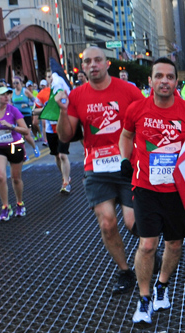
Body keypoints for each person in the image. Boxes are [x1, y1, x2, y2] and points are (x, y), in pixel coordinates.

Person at [58, 46, 146, 294]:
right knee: (107, 223)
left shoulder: (128, 90)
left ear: (108, 64)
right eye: (88, 61)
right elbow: (65, 135)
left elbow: (147, 120)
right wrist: (63, 111)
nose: (93, 65)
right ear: (83, 67)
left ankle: (148, 253)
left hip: (127, 165)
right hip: (96, 168)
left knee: (133, 223)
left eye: (98, 60)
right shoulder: (76, 96)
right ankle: (125, 271)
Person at [119, 58, 185, 326]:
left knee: (174, 244)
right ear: (150, 81)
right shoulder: (136, 108)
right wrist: (124, 160)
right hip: (145, 188)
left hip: (178, 190)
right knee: (148, 244)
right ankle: (144, 299)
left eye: (170, 77)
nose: (164, 81)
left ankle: (162, 285)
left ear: (176, 82)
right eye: (159, 76)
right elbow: (126, 135)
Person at [0, 86, 31, 221]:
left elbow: (25, 131)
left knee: (15, 178)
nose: (6, 97)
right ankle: (5, 207)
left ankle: (19, 203)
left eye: (8, 94)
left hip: (14, 146)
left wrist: (11, 126)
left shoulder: (13, 110)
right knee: (0, 176)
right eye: (3, 94)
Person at [35, 77, 72, 194]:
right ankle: (64, 176)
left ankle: (66, 183)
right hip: (51, 130)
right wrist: (47, 110)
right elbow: (35, 110)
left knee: (63, 155)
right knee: (56, 156)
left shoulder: (64, 92)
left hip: (63, 128)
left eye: (54, 77)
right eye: (50, 78)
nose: (52, 80)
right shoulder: (43, 94)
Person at [11, 78, 41, 157]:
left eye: (17, 82)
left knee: (27, 135)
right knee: (19, 136)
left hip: (26, 115)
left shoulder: (25, 91)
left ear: (21, 83)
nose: (15, 85)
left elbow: (35, 101)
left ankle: (35, 147)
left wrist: (27, 105)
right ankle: (24, 154)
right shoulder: (12, 92)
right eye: (14, 83)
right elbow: (11, 103)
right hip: (17, 116)